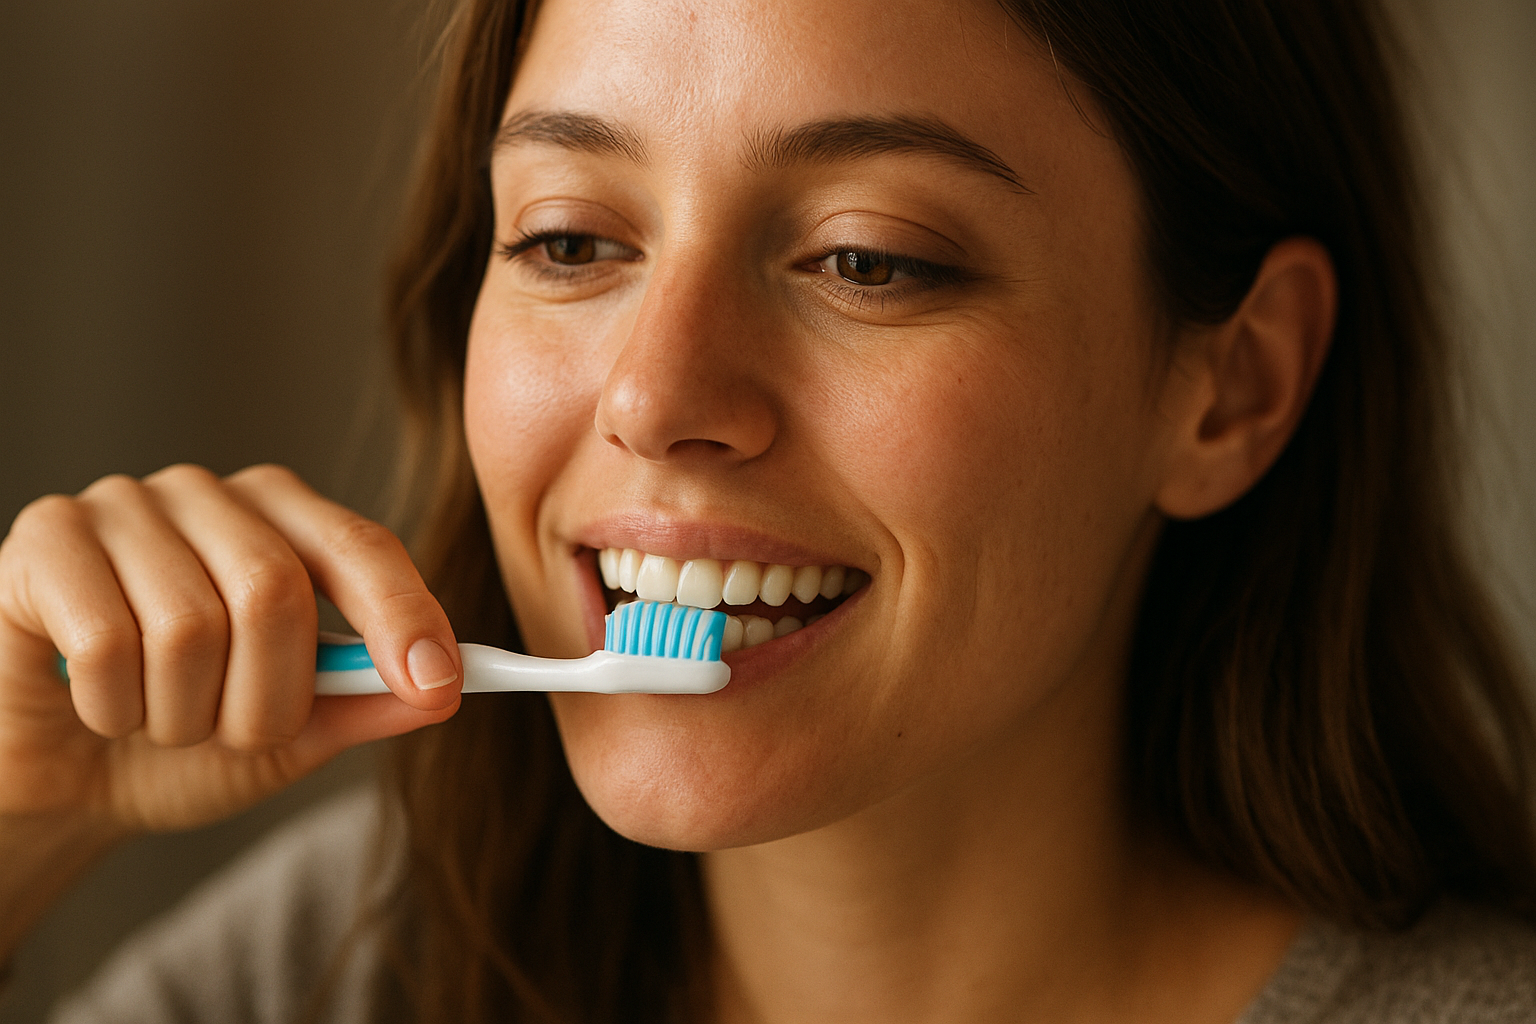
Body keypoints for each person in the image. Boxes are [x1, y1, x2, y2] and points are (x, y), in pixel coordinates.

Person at [3, 0, 1534, 1020]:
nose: (657, 394)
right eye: (570, 239)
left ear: (1233, 388)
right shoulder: (344, 966)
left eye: (870, 259)